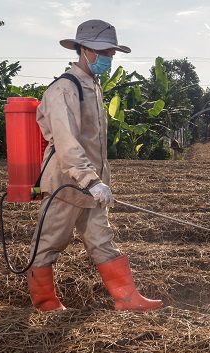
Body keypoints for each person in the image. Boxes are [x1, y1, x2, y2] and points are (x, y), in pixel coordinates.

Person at [26, 19, 163, 312]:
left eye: (112, 53)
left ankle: (127, 299)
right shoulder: (65, 88)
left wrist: (98, 181)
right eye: (105, 52)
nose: (109, 58)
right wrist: (91, 181)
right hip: (66, 182)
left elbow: (93, 143)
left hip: (91, 185)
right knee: (49, 242)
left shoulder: (93, 86)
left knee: (103, 240)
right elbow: (66, 142)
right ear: (84, 49)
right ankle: (45, 302)